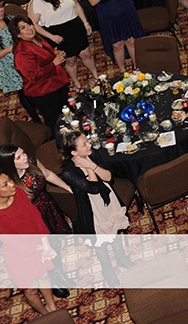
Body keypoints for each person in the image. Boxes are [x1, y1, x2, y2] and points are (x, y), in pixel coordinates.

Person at [58, 130, 131, 285]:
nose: (89, 145)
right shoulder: (68, 172)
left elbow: (109, 177)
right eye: (84, 144)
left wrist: (91, 164)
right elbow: (93, 188)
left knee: (115, 228)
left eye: (87, 141)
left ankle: (122, 259)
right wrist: (90, 167)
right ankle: (107, 270)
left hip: (108, 197)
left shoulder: (92, 154)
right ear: (74, 152)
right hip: (92, 207)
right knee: (100, 241)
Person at [0, 144, 74, 296]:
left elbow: (47, 174)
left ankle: (59, 271)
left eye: (23, 153)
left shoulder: (32, 162)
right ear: (10, 164)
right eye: (19, 157)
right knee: (42, 250)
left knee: (55, 242)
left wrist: (68, 188)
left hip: (48, 206)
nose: (25, 157)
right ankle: (53, 280)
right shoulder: (8, 183)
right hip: (33, 218)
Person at [27, 0, 98, 90]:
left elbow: (77, 5)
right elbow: (33, 24)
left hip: (75, 27)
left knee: (86, 54)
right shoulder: (37, 2)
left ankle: (96, 77)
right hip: (58, 34)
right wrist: (51, 36)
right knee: (70, 60)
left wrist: (85, 23)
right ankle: (77, 84)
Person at [0, 172, 58, 316]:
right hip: (18, 255)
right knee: (31, 289)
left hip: (36, 242)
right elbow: (12, 242)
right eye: (5, 185)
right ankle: (45, 315)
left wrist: (45, 243)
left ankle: (52, 308)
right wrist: (39, 248)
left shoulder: (19, 193)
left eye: (10, 180)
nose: (12, 184)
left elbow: (35, 216)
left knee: (44, 275)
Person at [10, 15, 68, 132]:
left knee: (66, 111)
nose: (29, 28)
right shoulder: (21, 52)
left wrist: (55, 54)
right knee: (54, 121)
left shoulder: (36, 38)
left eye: (29, 24)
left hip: (56, 82)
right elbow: (33, 76)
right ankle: (56, 141)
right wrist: (54, 63)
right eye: (23, 28)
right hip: (43, 91)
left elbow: (43, 57)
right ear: (18, 34)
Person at [86, 0, 143, 71]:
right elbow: (92, 2)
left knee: (131, 42)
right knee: (117, 45)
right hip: (109, 20)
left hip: (126, 15)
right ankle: (123, 71)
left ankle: (137, 68)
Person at [0, 4, 41, 122]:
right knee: (23, 92)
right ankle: (35, 118)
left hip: (25, 57)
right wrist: (11, 48)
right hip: (10, 66)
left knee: (35, 83)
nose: (1, 10)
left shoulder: (9, 19)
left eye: (1, 6)